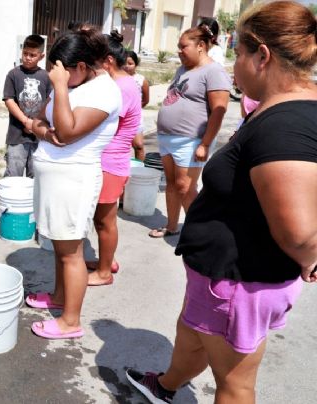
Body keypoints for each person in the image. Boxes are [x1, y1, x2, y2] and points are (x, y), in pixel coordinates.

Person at [126, 2, 317, 402]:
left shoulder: (283, 126)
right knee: (191, 334)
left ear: (262, 56)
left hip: (237, 282)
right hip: (220, 276)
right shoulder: (287, 109)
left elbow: (301, 235)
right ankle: (164, 387)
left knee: (234, 383)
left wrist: (310, 253)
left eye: (239, 54)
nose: (233, 66)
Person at [25, 27, 121, 339]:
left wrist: (60, 90)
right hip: (53, 177)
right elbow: (39, 120)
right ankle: (58, 298)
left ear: (80, 67)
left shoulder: (105, 91)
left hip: (74, 181)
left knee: (71, 251)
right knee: (58, 245)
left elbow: (66, 132)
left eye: (61, 70)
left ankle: (70, 321)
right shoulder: (75, 84)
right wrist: (47, 132)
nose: (56, 76)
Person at [148, 25, 230, 239]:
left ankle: (200, 234)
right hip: (167, 137)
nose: (179, 51)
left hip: (191, 140)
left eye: (184, 46)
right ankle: (172, 225)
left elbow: (218, 112)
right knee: (172, 185)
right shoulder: (183, 69)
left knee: (185, 187)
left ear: (201, 46)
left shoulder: (214, 71)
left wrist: (205, 143)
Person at [86, 31, 141, 286]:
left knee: (105, 220)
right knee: (102, 219)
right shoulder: (124, 83)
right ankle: (108, 260)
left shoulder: (122, 87)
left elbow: (102, 121)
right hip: (110, 160)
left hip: (111, 162)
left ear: (107, 61)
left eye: (96, 63)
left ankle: (105, 272)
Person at [1, 34, 51, 178]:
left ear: (41, 56)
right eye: (25, 53)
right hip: (17, 136)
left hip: (39, 137)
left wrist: (35, 124)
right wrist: (25, 121)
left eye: (33, 55)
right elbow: (9, 100)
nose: (28, 57)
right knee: (13, 175)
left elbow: (49, 102)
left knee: (35, 177)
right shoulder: (13, 74)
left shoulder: (46, 77)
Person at [123, 50, 149, 161]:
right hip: (120, 117)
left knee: (138, 145)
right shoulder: (118, 78)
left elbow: (146, 100)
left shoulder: (141, 80)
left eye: (130, 63)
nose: (127, 66)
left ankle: (139, 169)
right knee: (122, 146)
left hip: (135, 117)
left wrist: (134, 109)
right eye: (124, 63)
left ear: (136, 65)